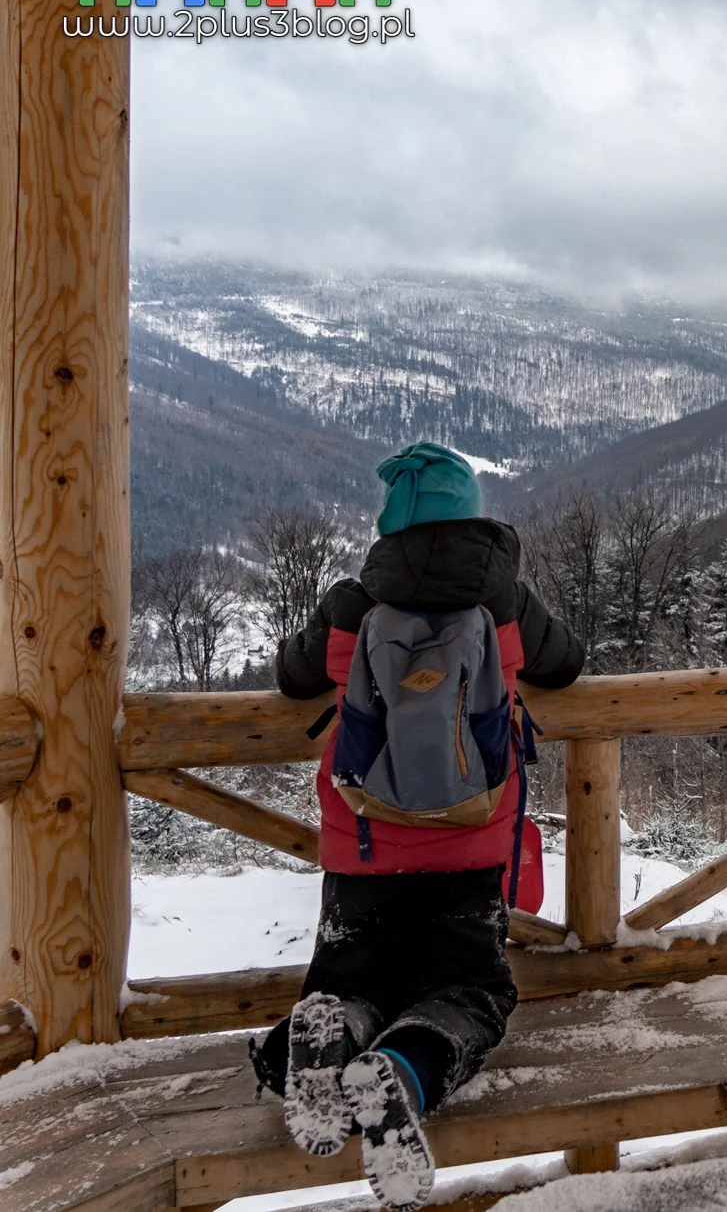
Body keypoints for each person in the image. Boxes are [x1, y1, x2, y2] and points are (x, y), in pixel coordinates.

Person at [251, 442, 585, 1211]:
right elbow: (566, 663)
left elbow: (292, 674)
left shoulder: (353, 605)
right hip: (471, 847)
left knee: (349, 979)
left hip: (362, 846)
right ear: (469, 515)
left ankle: (330, 1032)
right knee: (471, 990)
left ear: (390, 525)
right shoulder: (505, 603)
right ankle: (402, 1067)